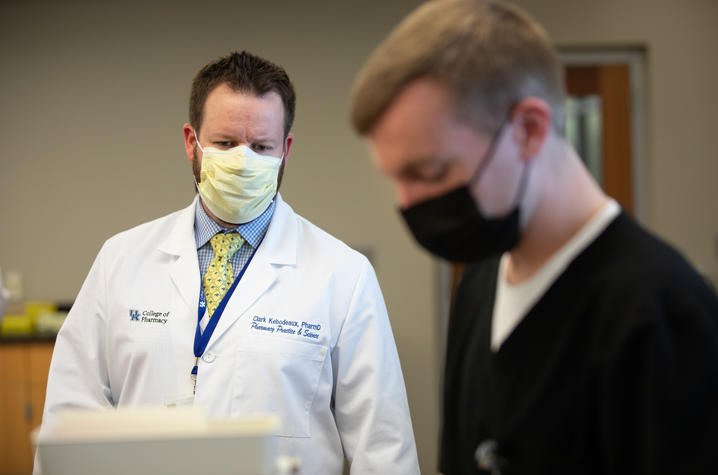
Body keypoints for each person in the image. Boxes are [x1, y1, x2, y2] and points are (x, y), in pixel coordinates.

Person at [350, 1, 718, 473]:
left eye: (430, 170)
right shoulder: (481, 281)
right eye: (395, 179)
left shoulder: (659, 314)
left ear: (528, 129)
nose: (409, 203)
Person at [37, 51, 419, 475]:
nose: (243, 161)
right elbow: (69, 418)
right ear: (191, 142)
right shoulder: (120, 260)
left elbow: (384, 448)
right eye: (225, 143)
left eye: (261, 147)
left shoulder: (344, 276)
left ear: (285, 151)